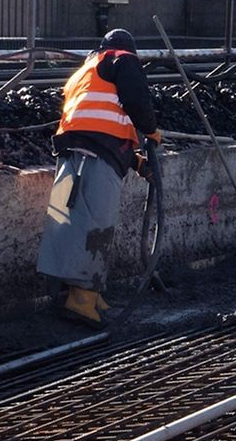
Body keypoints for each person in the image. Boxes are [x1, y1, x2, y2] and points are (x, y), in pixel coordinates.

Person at [37, 28, 162, 327]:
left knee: (67, 221)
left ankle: (87, 292)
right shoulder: (122, 59)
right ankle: (81, 300)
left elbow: (98, 124)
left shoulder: (84, 72)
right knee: (96, 225)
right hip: (95, 157)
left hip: (71, 154)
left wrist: (134, 161)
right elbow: (135, 101)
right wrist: (150, 129)